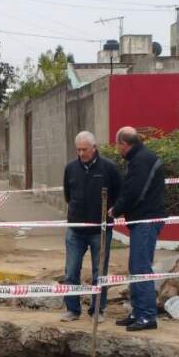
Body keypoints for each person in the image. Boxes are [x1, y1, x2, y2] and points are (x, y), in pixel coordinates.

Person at [61, 131, 122, 322]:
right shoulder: (70, 168)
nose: (81, 153)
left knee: (99, 272)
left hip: (100, 231)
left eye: (84, 150)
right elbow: (67, 195)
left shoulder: (109, 168)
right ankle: (72, 309)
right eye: (78, 150)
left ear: (94, 148)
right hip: (75, 230)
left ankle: (97, 310)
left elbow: (119, 194)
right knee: (71, 272)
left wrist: (111, 213)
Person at [109, 126, 166, 332]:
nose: (116, 149)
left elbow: (135, 191)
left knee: (141, 268)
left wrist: (116, 209)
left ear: (124, 144)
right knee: (135, 267)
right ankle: (138, 312)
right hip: (142, 220)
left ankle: (147, 316)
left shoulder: (141, 160)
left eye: (117, 145)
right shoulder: (139, 158)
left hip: (146, 220)